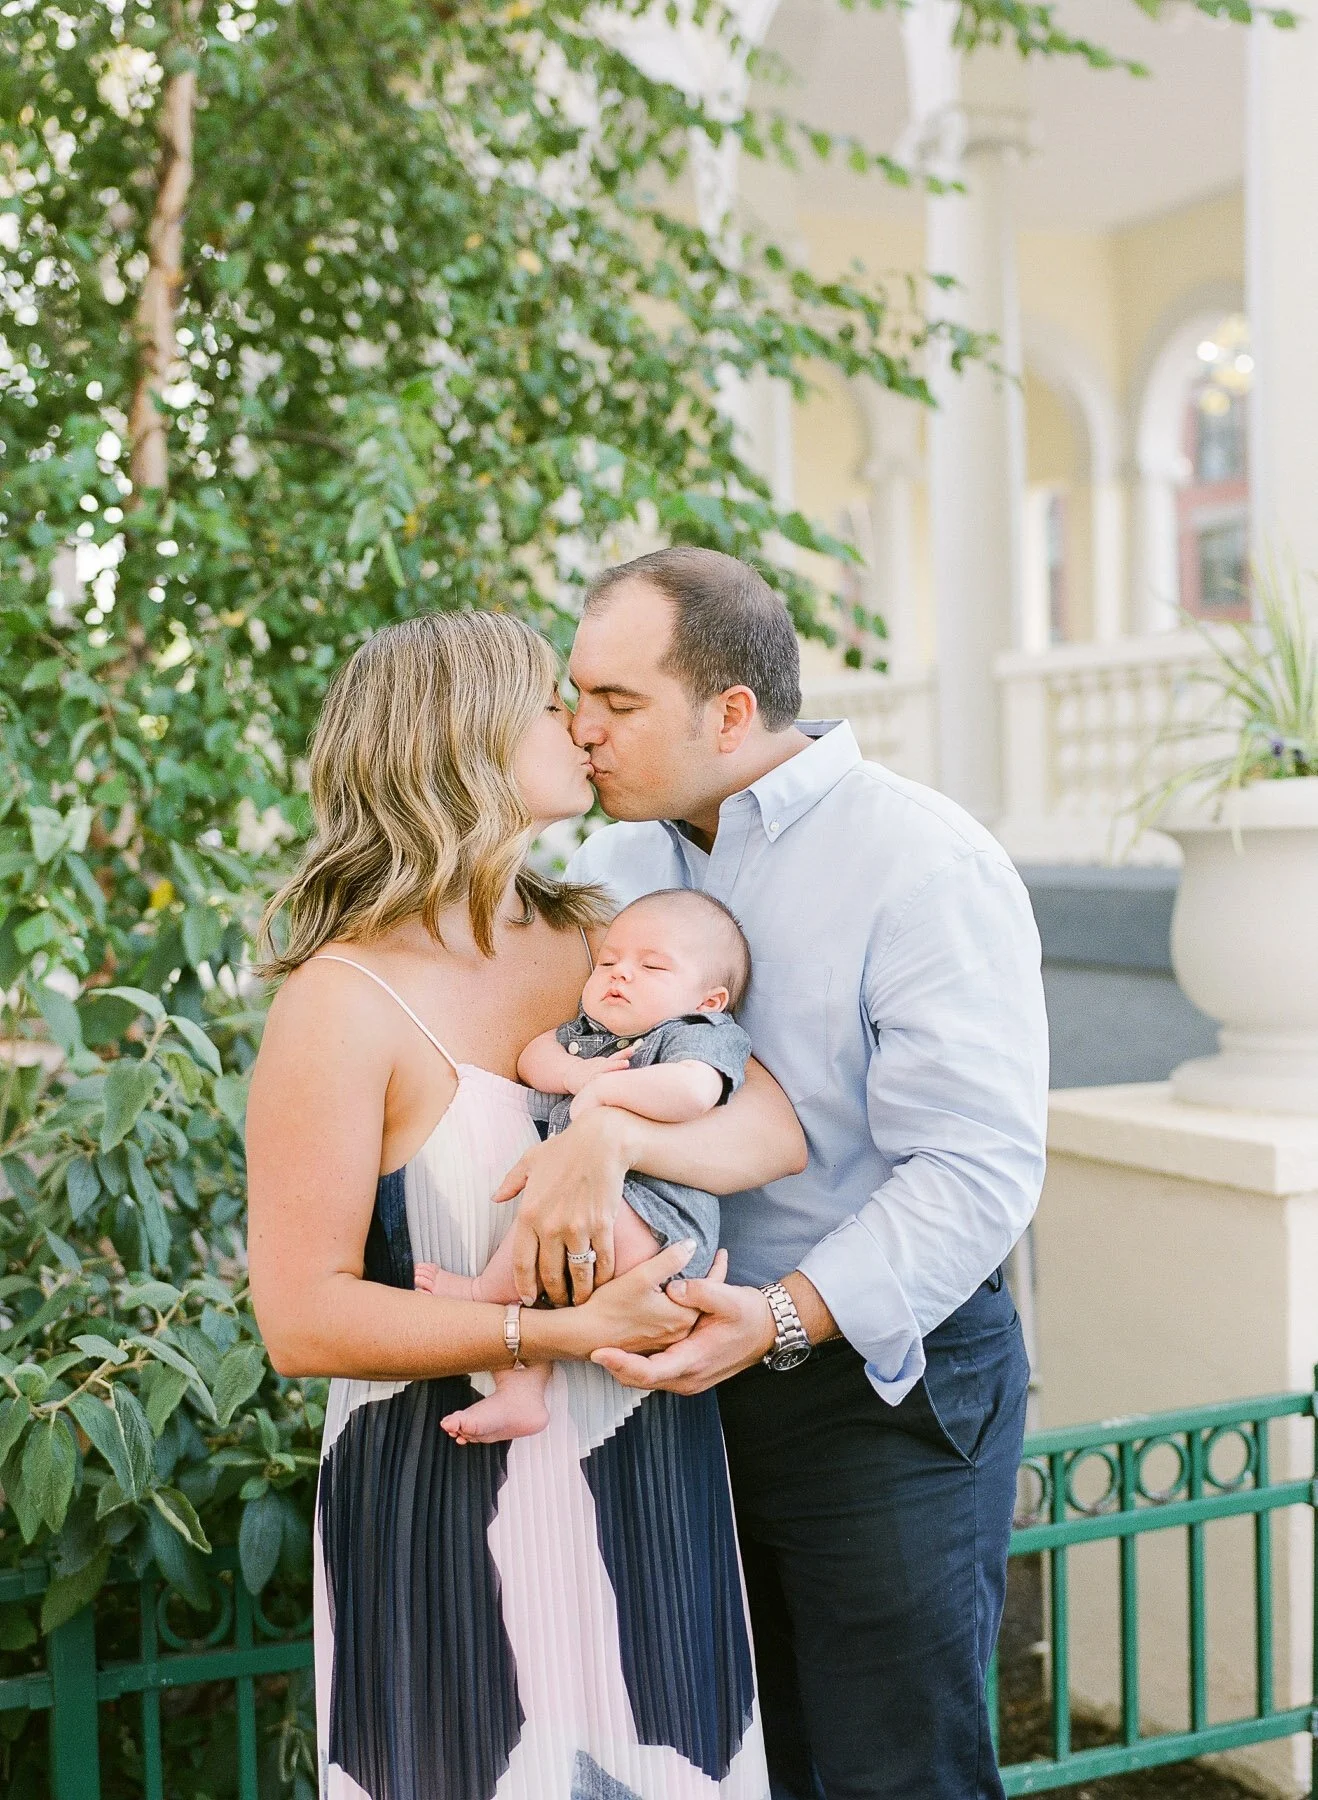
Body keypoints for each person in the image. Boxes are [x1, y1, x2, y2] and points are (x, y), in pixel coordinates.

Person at [490, 547, 1049, 1800]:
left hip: (878, 1394)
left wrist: (786, 1317)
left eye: (618, 704)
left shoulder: (922, 860)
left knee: (891, 1775)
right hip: (675, 1390)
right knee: (731, 1769)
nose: (581, 731)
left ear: (730, 713)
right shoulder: (623, 873)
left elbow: (976, 1167)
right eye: (577, 696)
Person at [245, 610, 804, 1800]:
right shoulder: (339, 1003)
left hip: (646, 1478)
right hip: (449, 1500)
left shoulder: (607, 944)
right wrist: (546, 1335)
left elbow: (772, 1130)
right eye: (551, 701)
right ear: (464, 740)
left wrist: (601, 1132)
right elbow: (300, 1320)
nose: (580, 723)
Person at [413, 886, 752, 1445]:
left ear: (709, 999)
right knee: (547, 1250)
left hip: (657, 1225)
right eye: (611, 962)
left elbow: (693, 1092)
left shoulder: (696, 1035)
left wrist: (606, 1098)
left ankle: (482, 1295)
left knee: (546, 1217)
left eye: (651, 966)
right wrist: (576, 1075)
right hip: (603, 1219)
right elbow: (532, 1057)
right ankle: (521, 1396)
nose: (621, 975)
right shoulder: (589, 1037)